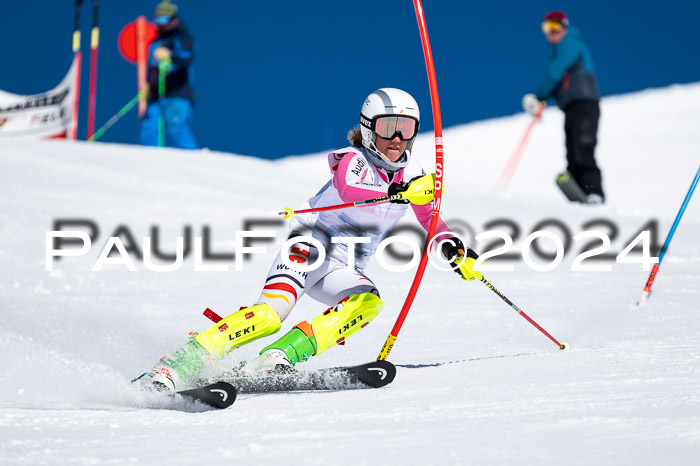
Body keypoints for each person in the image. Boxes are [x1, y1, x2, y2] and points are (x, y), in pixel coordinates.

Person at [134, 88, 481, 391]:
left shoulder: (415, 173)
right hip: (311, 245)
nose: (397, 138)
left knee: (367, 302)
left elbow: (429, 217)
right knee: (269, 315)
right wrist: (401, 191)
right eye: (388, 127)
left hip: (343, 265)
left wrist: (450, 245)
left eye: (406, 129)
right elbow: (350, 188)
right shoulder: (354, 160)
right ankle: (175, 366)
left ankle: (277, 357)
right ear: (368, 127)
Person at [522, 10, 604, 204]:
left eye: (555, 27)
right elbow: (558, 81)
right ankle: (577, 186)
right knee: (572, 148)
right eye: (546, 28)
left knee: (583, 145)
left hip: (584, 103)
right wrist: (542, 99)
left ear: (565, 27)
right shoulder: (561, 49)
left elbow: (555, 74)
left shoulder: (570, 44)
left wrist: (538, 96)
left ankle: (594, 191)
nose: (551, 33)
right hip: (571, 106)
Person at [139, 1, 198, 149]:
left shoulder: (181, 37)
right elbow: (152, 68)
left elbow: (186, 58)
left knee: (175, 131)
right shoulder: (155, 42)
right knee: (149, 130)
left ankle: (194, 164)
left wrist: (170, 56)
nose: (160, 24)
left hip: (177, 93)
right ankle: (150, 164)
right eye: (157, 20)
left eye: (164, 20)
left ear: (174, 20)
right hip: (155, 95)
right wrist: (148, 84)